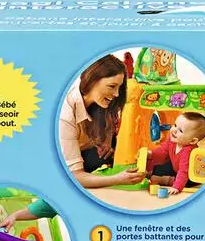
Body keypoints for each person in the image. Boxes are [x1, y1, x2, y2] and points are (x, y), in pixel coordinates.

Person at [59, 54, 144, 189]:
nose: (116, 94)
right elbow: (74, 176)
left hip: (87, 150)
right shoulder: (65, 115)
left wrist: (106, 141)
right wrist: (117, 179)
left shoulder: (101, 104)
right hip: (67, 163)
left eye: (119, 87)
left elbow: (110, 125)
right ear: (92, 81)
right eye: (112, 86)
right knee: (96, 160)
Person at [145, 111, 205, 195]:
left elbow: (183, 171)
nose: (174, 130)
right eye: (175, 125)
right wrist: (151, 154)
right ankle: (151, 173)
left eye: (180, 131)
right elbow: (162, 151)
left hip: (189, 175)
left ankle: (165, 180)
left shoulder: (188, 151)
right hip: (176, 167)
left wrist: (176, 187)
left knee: (186, 181)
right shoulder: (173, 140)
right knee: (160, 165)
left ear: (193, 141)